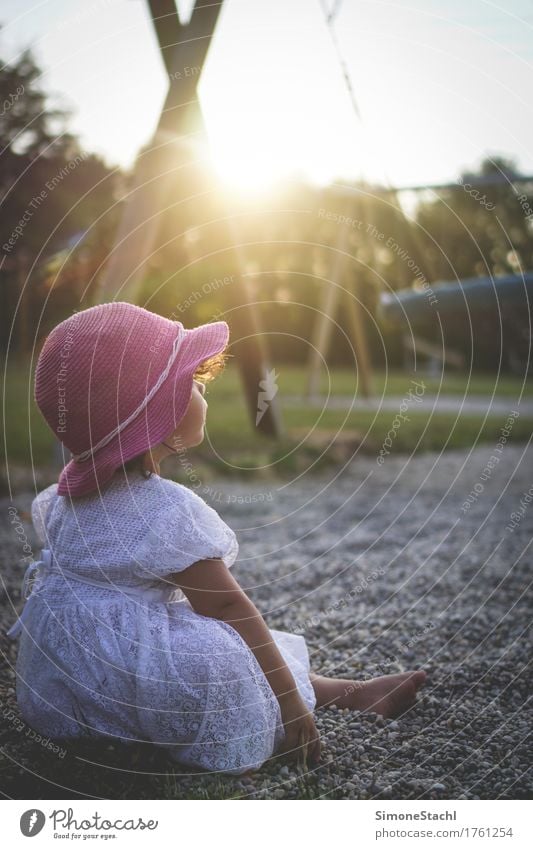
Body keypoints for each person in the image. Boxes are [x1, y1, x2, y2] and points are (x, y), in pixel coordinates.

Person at [7, 302, 427, 775]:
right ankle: (299, 703)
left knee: (203, 637)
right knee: (227, 652)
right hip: (131, 684)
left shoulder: (65, 501)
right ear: (157, 414)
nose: (205, 393)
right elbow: (228, 606)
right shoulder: (163, 510)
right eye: (194, 386)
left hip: (63, 687)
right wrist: (292, 707)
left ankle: (345, 690)